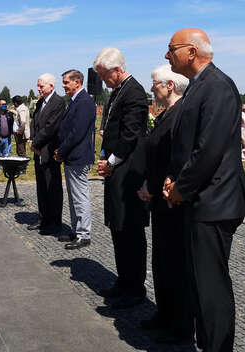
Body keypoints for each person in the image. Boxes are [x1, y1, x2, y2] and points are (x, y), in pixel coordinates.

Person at [163, 28, 245, 352]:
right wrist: (174, 179)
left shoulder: (217, 87)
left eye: (171, 49)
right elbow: (189, 146)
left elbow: (209, 150)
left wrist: (180, 189)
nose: (166, 55)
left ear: (190, 52)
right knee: (200, 286)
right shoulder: (199, 87)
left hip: (215, 202)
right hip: (201, 199)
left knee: (210, 287)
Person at [136, 64, 194, 343]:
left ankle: (180, 324)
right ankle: (165, 313)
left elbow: (175, 158)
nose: (152, 88)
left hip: (172, 200)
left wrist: (153, 185)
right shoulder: (166, 114)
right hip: (159, 197)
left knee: (176, 262)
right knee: (161, 260)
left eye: (155, 83)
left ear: (170, 85)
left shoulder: (182, 114)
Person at [94, 47, 149, 309]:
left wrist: (112, 161)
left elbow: (131, 134)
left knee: (130, 229)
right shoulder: (117, 91)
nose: (104, 81)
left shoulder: (135, 92)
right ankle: (123, 280)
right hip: (116, 168)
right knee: (117, 227)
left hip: (128, 171)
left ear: (117, 70)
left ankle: (135, 287)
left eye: (105, 76)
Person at [54, 69, 95, 250]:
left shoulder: (84, 101)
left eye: (66, 82)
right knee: (73, 196)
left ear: (77, 82)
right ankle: (75, 229)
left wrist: (61, 150)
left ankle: (83, 234)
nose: (63, 86)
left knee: (80, 197)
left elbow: (76, 133)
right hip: (71, 156)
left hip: (78, 156)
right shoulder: (75, 101)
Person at [28, 73, 64, 235]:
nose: (39, 89)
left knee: (52, 186)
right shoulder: (40, 102)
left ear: (51, 86)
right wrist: (32, 140)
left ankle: (55, 221)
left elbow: (50, 128)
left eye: (41, 86)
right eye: (38, 85)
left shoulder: (58, 103)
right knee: (41, 186)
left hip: (49, 151)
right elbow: (35, 122)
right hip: (38, 151)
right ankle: (43, 217)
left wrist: (36, 143)